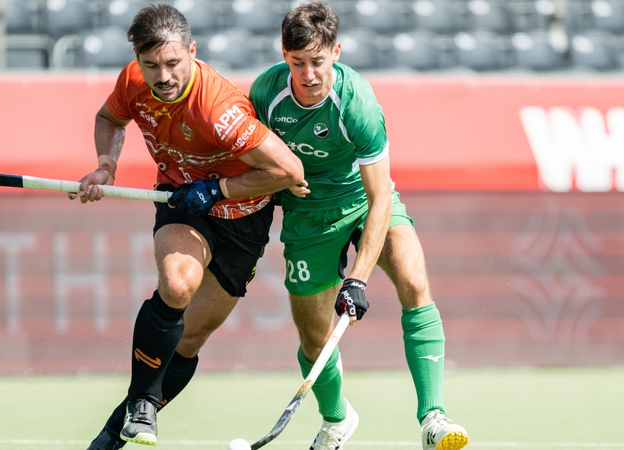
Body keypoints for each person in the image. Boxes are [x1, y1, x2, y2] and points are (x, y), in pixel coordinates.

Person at [68, 4, 306, 449]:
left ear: (192, 52)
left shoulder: (219, 109)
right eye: (151, 65)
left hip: (243, 217)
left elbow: (289, 171)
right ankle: (133, 416)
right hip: (182, 201)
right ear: (138, 60)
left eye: (173, 63)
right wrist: (106, 166)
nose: (163, 77)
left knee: (190, 338)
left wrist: (216, 190)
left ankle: (116, 427)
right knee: (177, 286)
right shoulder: (133, 81)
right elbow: (109, 118)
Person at [248, 3, 470, 450]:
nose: (308, 74)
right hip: (307, 214)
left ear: (336, 52)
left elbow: (380, 197)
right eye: (297, 62)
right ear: (284, 55)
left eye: (317, 61)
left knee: (413, 280)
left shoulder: (358, 104)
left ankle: (433, 418)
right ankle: (336, 419)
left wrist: (357, 280)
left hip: (363, 201)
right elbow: (252, 158)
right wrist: (277, 181)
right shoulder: (266, 93)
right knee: (314, 336)